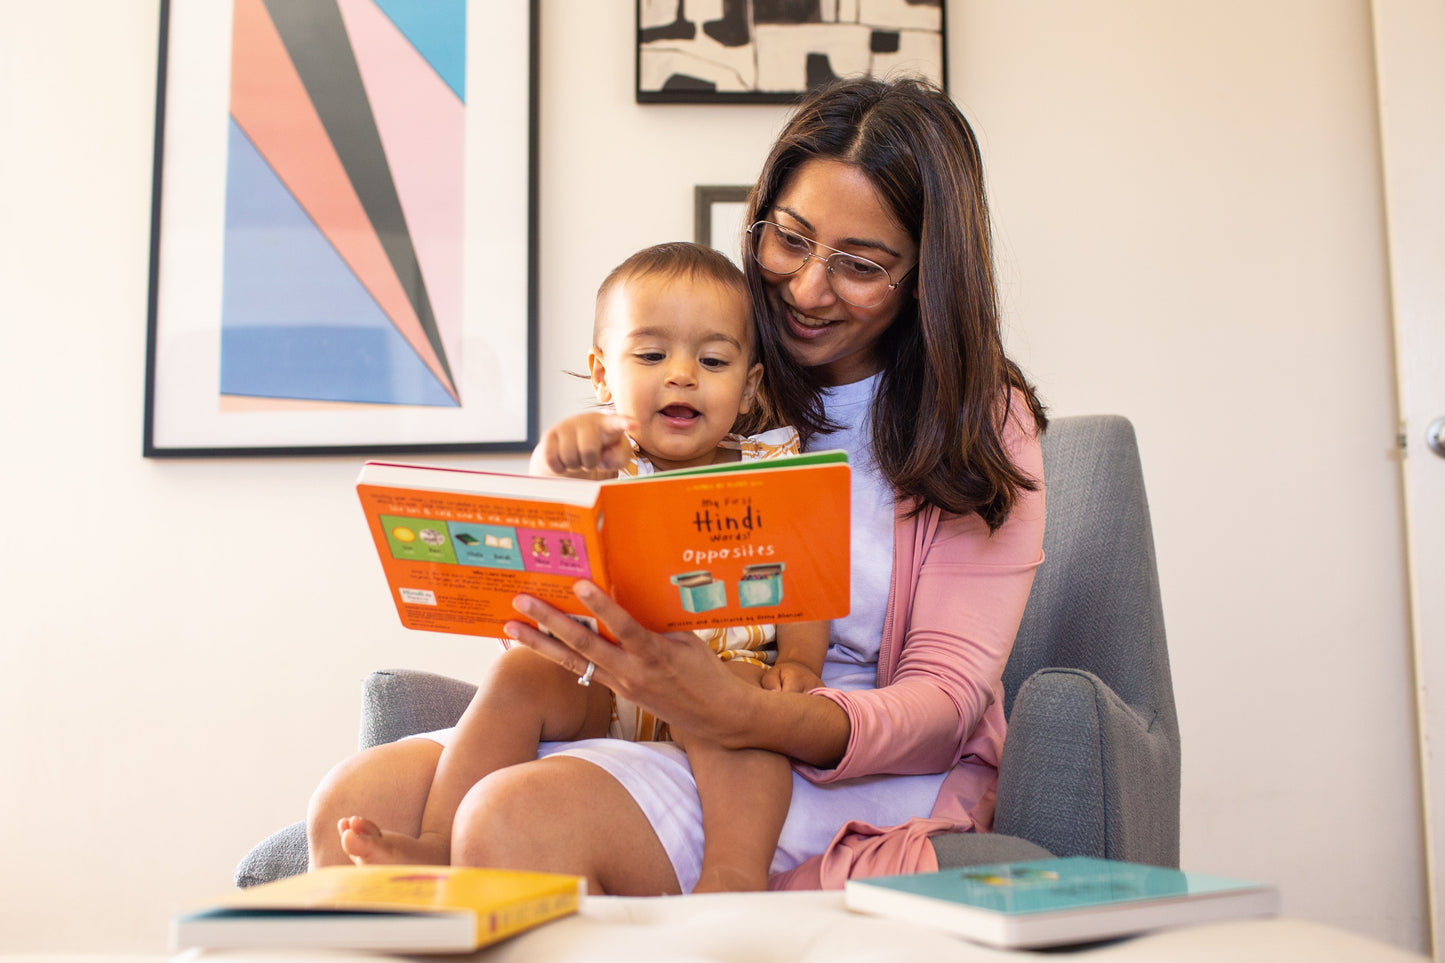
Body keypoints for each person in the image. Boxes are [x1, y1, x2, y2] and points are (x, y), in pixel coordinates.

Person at [306, 76, 1047, 898]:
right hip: (639, 701)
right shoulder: (706, 366)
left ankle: (727, 888)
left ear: (924, 274)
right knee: (351, 801)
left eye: (861, 265)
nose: (807, 289)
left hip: (826, 748)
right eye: (790, 239)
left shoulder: (978, 419)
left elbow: (943, 700)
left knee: (516, 817)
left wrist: (751, 706)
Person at [331, 242, 830, 893]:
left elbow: (807, 579)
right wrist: (556, 463)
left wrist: (802, 662)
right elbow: (547, 519)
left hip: (717, 675)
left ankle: (733, 872)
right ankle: (436, 840)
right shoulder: (600, 459)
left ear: (748, 387)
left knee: (747, 712)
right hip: (602, 679)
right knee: (520, 670)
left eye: (712, 360)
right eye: (651, 356)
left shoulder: (771, 468)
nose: (682, 375)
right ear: (602, 375)